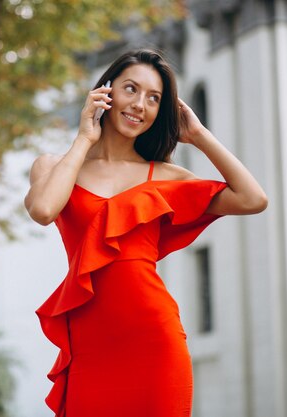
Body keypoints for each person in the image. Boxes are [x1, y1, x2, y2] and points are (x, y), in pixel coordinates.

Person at [24, 49, 267, 417]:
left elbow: (253, 199)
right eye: (131, 89)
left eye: (154, 98)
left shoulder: (165, 176)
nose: (140, 105)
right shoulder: (55, 166)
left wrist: (199, 135)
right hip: (90, 347)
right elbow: (43, 210)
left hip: (154, 340)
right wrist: (84, 139)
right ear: (105, 92)